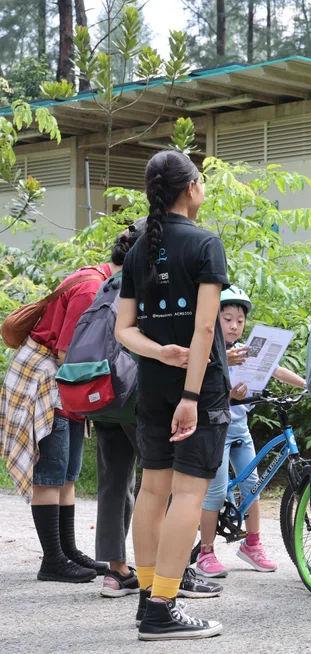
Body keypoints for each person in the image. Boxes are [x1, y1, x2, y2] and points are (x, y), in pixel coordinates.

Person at [115, 150, 229, 641]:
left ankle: (147, 600)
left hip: (154, 387)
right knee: (188, 491)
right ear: (190, 189)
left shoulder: (139, 249)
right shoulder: (206, 243)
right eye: (200, 179)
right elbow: (206, 326)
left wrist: (161, 353)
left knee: (153, 489)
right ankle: (163, 606)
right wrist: (191, 393)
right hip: (195, 391)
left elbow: (124, 330)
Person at [0, 248, 116, 582]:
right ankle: (52, 560)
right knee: (50, 471)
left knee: (68, 473)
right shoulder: (91, 288)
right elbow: (68, 352)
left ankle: (67, 550)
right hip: (48, 378)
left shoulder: (104, 283)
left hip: (69, 382)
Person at [194, 286, 305, 578]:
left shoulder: (246, 349)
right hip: (215, 428)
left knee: (253, 485)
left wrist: (307, 385)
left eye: (239, 321)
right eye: (227, 318)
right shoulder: (207, 350)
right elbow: (199, 387)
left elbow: (277, 370)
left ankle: (252, 544)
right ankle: (206, 552)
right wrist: (228, 394)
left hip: (240, 426)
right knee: (215, 493)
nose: (234, 325)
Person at [93, 218, 146, 598]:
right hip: (134, 391)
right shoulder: (143, 285)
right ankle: (158, 566)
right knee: (163, 479)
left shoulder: (105, 286)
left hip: (101, 391)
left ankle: (116, 572)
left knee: (114, 481)